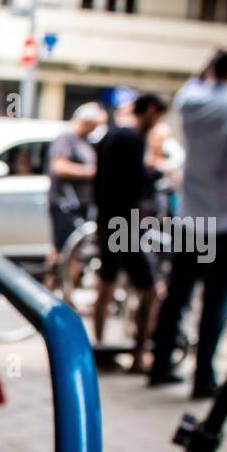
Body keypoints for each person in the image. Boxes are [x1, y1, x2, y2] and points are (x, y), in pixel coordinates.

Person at [148, 47, 227, 399]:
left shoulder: (191, 100)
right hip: (225, 221)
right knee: (215, 303)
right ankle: (203, 378)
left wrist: (213, 62)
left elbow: (196, 80)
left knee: (177, 297)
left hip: (190, 218)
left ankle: (160, 365)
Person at [92, 92, 168, 372]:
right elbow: (133, 184)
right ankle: (138, 356)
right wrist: (153, 172)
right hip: (125, 224)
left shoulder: (111, 135)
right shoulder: (132, 140)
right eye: (158, 116)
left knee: (106, 284)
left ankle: (99, 346)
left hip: (107, 220)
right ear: (149, 110)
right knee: (150, 291)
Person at [46, 103, 104, 287]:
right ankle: (54, 289)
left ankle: (65, 290)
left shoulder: (83, 141)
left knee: (75, 251)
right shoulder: (66, 139)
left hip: (80, 205)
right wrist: (91, 172)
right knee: (63, 248)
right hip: (65, 203)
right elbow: (59, 167)